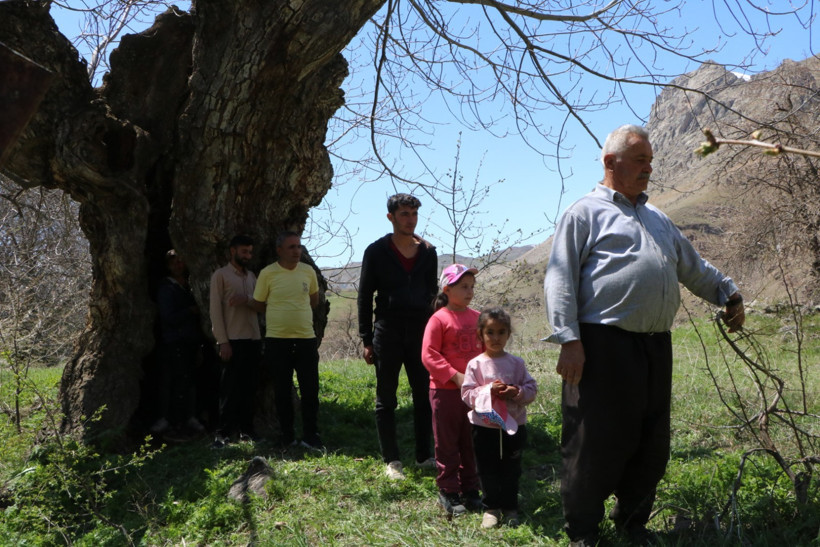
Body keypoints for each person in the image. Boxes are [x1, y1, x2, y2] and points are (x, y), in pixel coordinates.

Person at [544, 124, 746, 546]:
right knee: (594, 441)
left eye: (650, 160)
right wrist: (569, 340)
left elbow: (692, 267)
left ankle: (632, 522)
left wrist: (728, 292)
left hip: (655, 345)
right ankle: (583, 533)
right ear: (610, 162)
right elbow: (559, 279)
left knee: (649, 439)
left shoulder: (657, 218)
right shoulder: (583, 213)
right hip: (602, 345)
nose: (648, 168)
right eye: (640, 160)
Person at [357, 193, 438, 480]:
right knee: (386, 398)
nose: (410, 219)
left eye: (414, 214)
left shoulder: (428, 252)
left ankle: (424, 455)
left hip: (420, 331)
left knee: (423, 396)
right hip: (387, 330)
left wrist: (436, 334)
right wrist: (366, 338)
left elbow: (432, 295)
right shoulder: (376, 251)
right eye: (404, 214)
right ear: (391, 217)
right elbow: (365, 296)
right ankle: (392, 460)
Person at [462, 307, 537, 529]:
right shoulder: (475, 365)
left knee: (511, 469)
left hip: (513, 427)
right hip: (484, 427)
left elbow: (531, 388)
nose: (496, 338)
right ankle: (491, 508)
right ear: (480, 335)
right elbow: (467, 394)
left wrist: (516, 392)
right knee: (487, 469)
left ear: (508, 335)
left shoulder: (517, 364)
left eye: (501, 332)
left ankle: (510, 508)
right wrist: (488, 391)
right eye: (490, 332)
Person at [421, 264, 484, 516]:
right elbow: (428, 354)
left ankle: (471, 488)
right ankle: (448, 489)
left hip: (474, 392)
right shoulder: (439, 319)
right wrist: (454, 376)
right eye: (463, 287)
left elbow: (487, 351)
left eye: (471, 287)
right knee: (447, 442)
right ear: (447, 289)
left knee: (470, 441)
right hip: (445, 392)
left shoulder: (478, 317)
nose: (469, 292)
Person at [252, 231, 323, 450]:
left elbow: (314, 300)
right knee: (281, 390)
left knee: (310, 389)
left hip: (305, 339)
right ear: (279, 250)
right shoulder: (268, 273)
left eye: (299, 247)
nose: (296, 251)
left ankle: (311, 436)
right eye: (291, 247)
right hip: (277, 340)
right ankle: (287, 436)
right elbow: (258, 303)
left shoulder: (308, 271)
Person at [209, 235, 262, 447]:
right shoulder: (220, 276)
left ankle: (246, 431)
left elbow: (261, 305)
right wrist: (223, 341)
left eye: (250, 252)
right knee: (229, 389)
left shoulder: (252, 277)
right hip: (232, 340)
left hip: (253, 339)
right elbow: (215, 311)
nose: (247, 256)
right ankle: (222, 434)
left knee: (249, 388)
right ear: (233, 251)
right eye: (244, 252)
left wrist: (246, 301)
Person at [153, 249, 205, 437]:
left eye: (181, 261)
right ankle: (168, 419)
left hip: (191, 340)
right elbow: (167, 316)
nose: (178, 265)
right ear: (168, 266)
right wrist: (190, 311)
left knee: (189, 380)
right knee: (173, 380)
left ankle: (189, 417)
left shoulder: (189, 286)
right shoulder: (167, 287)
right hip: (174, 341)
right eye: (174, 262)